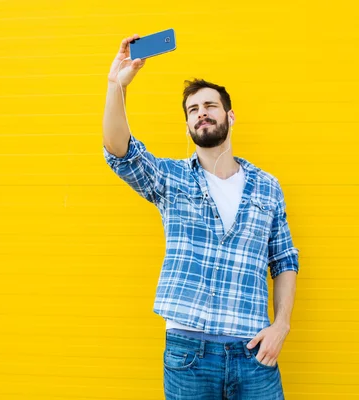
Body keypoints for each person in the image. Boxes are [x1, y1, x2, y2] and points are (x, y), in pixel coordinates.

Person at [102, 34, 300, 400]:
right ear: (188, 124)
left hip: (254, 350)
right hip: (187, 353)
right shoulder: (171, 178)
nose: (202, 113)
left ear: (230, 115)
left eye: (210, 105)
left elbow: (284, 260)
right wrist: (117, 85)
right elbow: (119, 151)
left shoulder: (267, 186)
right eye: (193, 110)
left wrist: (281, 325)